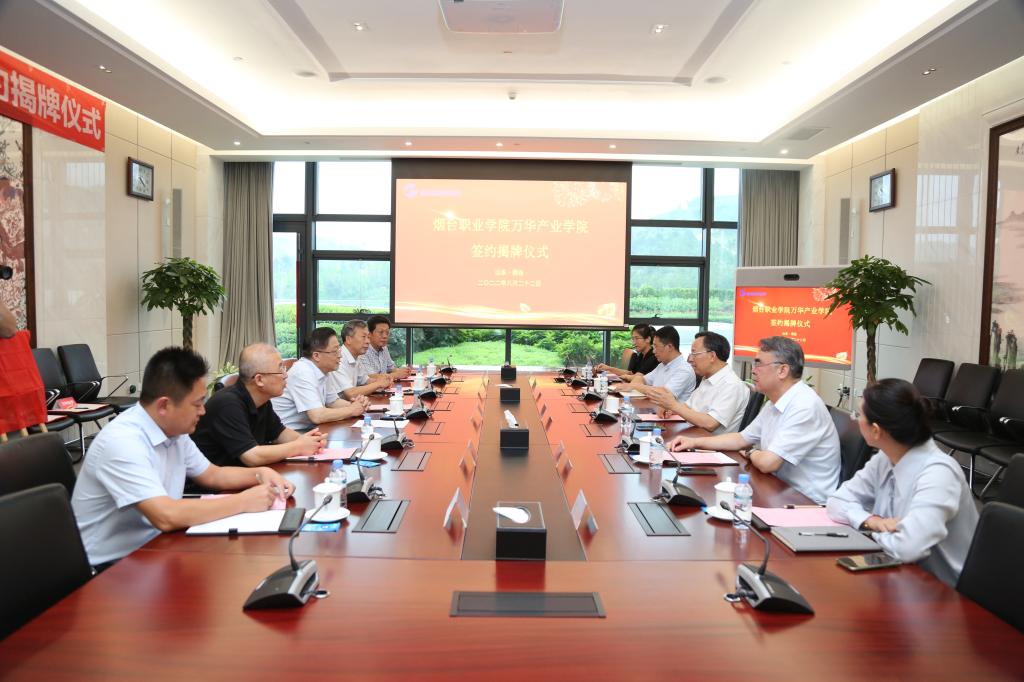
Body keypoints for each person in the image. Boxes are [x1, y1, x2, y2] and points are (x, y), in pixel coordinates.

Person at [71, 347, 295, 569]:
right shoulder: (123, 442)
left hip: (157, 546)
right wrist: (243, 502)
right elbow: (166, 515)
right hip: (110, 566)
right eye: (197, 404)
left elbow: (213, 475)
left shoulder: (174, 431)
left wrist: (261, 474)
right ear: (164, 405)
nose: (203, 411)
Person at [826, 378, 979, 587]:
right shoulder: (885, 457)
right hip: (900, 575)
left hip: (943, 591)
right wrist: (872, 521)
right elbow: (836, 502)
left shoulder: (939, 474)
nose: (856, 419)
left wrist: (872, 535)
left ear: (876, 431)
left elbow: (909, 547)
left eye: (859, 415)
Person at [669, 336, 839, 504]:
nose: (753, 371)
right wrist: (694, 442)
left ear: (782, 370)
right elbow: (741, 439)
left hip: (806, 504)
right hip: (778, 489)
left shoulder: (804, 406)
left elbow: (767, 463)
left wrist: (750, 452)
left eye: (759, 364)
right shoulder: (774, 403)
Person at [191, 343, 327, 467]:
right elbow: (252, 456)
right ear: (259, 379)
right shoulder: (227, 404)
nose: (286, 375)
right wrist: (298, 446)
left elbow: (279, 433)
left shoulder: (262, 400)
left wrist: (310, 442)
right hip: (215, 483)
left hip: (245, 475)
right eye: (280, 369)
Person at [650, 331, 749, 434]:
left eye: (694, 354)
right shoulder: (708, 378)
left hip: (710, 442)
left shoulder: (732, 385)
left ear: (712, 356)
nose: (691, 359)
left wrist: (674, 405)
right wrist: (670, 409)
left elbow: (710, 423)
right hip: (693, 435)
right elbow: (688, 407)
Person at [271, 327, 370, 431]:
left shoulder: (323, 370)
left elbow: (332, 402)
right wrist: (351, 410)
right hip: (290, 432)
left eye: (339, 350)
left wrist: (357, 405)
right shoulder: (302, 372)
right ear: (316, 355)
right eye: (335, 351)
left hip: (309, 428)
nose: (340, 355)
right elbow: (317, 416)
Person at [626, 326, 696, 403]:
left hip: (666, 410)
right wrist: (635, 385)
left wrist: (634, 386)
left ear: (669, 347)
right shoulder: (662, 365)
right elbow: (642, 379)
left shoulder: (684, 370)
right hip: (652, 407)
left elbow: (663, 394)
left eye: (656, 347)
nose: (653, 351)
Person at [328, 319, 392, 400]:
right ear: (348, 339)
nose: (368, 341)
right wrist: (378, 384)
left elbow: (366, 381)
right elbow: (351, 393)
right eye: (363, 337)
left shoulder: (356, 357)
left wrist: (383, 380)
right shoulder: (338, 359)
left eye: (368, 337)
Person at [358, 315, 412, 380]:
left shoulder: (384, 348)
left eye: (387, 332)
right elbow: (369, 377)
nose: (385, 336)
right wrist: (395, 375)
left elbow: (391, 368)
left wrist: (402, 371)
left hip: (385, 385)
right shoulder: (362, 350)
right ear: (369, 334)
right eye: (381, 332)